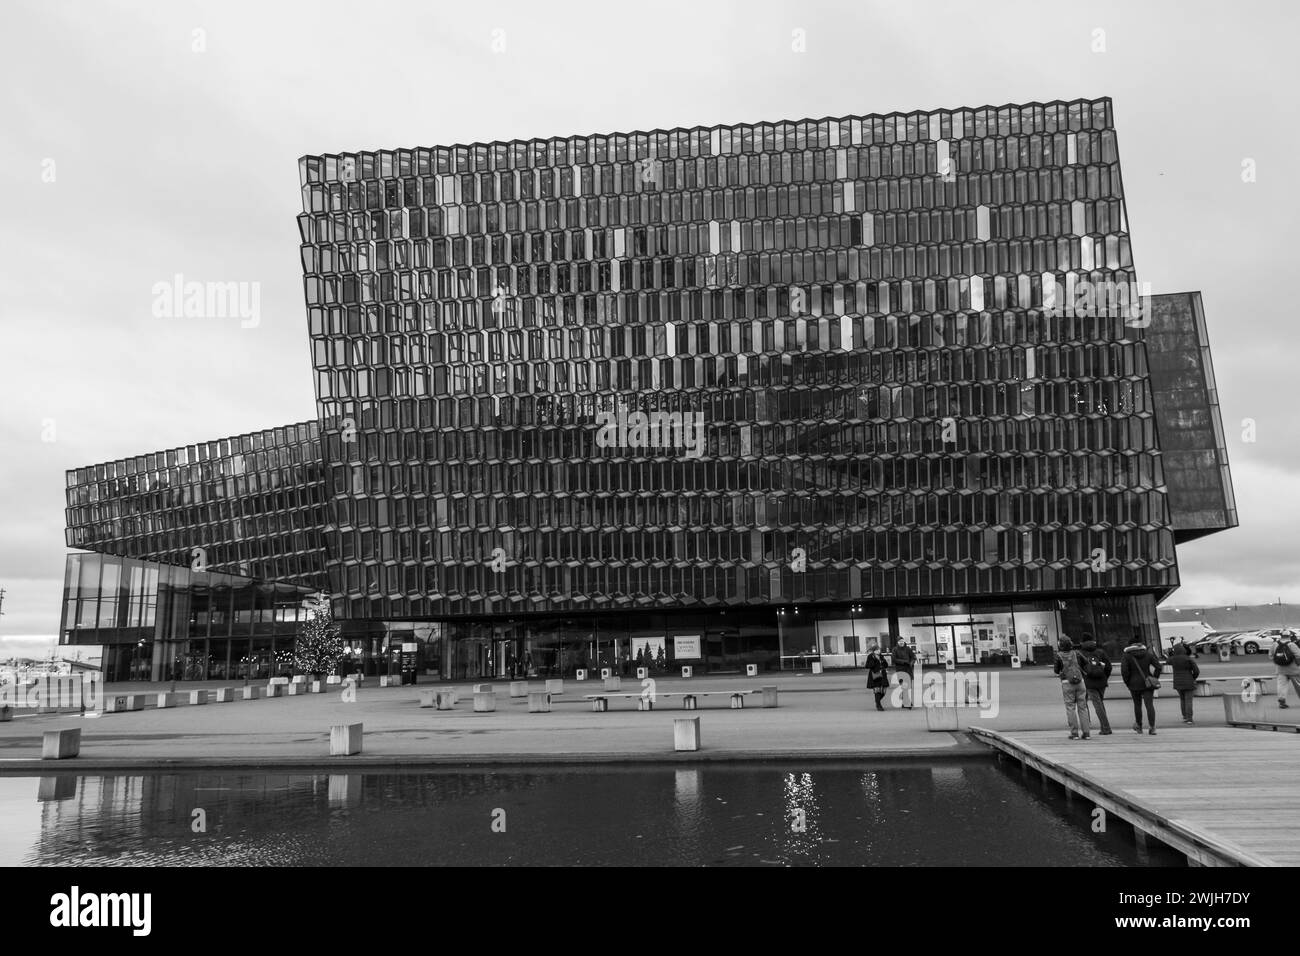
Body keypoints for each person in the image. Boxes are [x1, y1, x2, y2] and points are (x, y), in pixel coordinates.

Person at [1120, 638, 1163, 735]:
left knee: (1137, 705)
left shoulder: (1127, 656)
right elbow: (1159, 667)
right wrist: (1154, 678)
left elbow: (1124, 671)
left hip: (1133, 683)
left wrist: (1127, 682)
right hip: (1147, 683)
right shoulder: (1148, 654)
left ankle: (1139, 726)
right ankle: (1152, 727)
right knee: (1149, 705)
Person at [1052, 637, 1091, 740]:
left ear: (1061, 645)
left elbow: (1056, 670)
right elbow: (1086, 662)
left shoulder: (1058, 655)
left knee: (1070, 708)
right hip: (1080, 682)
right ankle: (1086, 733)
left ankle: (1074, 733)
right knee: (1083, 707)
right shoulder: (1077, 653)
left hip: (1067, 683)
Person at [1079, 634, 1113, 735]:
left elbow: (1079, 669)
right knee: (1100, 704)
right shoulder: (1100, 652)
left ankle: (1106, 728)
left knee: (1097, 705)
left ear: (1082, 642)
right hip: (1102, 681)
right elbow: (1108, 667)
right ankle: (1104, 727)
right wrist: (1104, 677)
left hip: (1089, 682)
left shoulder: (1081, 653)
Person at [1167, 641, 1200, 723]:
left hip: (1178, 682)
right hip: (1189, 681)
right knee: (1188, 700)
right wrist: (1193, 678)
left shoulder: (1173, 659)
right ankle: (1189, 719)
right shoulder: (1188, 659)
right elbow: (1196, 671)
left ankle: (1185, 716)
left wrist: (1171, 654)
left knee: (1182, 700)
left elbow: (1167, 661)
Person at [1271, 629, 1300, 708]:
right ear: (1289, 636)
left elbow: (1270, 656)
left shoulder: (1274, 644)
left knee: (1281, 686)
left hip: (1280, 670)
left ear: (1280, 635)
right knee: (1298, 686)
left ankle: (1282, 701)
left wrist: (1278, 663)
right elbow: (1299, 655)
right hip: (1294, 670)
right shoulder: (1292, 645)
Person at [891, 640, 916, 709]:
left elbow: (913, 657)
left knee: (907, 687)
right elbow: (894, 659)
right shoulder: (895, 649)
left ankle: (905, 702)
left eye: (902, 641)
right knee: (904, 686)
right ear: (897, 642)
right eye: (899, 641)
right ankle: (907, 702)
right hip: (900, 670)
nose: (901, 642)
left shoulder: (908, 649)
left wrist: (911, 663)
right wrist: (904, 662)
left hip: (908, 670)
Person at [865, 644, 890, 711]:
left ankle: (877, 702)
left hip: (883, 675)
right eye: (877, 650)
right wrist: (874, 660)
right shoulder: (870, 656)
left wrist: (883, 661)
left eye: (879, 649)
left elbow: (886, 665)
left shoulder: (881, 656)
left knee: (883, 691)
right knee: (877, 691)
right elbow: (867, 666)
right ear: (874, 651)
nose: (879, 651)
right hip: (875, 675)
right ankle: (879, 705)